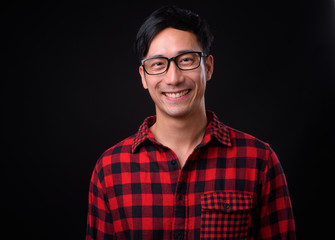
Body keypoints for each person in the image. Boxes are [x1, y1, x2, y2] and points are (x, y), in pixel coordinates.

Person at [86, 5, 295, 240]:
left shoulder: (259, 161)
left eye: (186, 60)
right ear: (143, 76)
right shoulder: (110, 169)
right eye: (158, 64)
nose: (173, 78)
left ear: (208, 67)